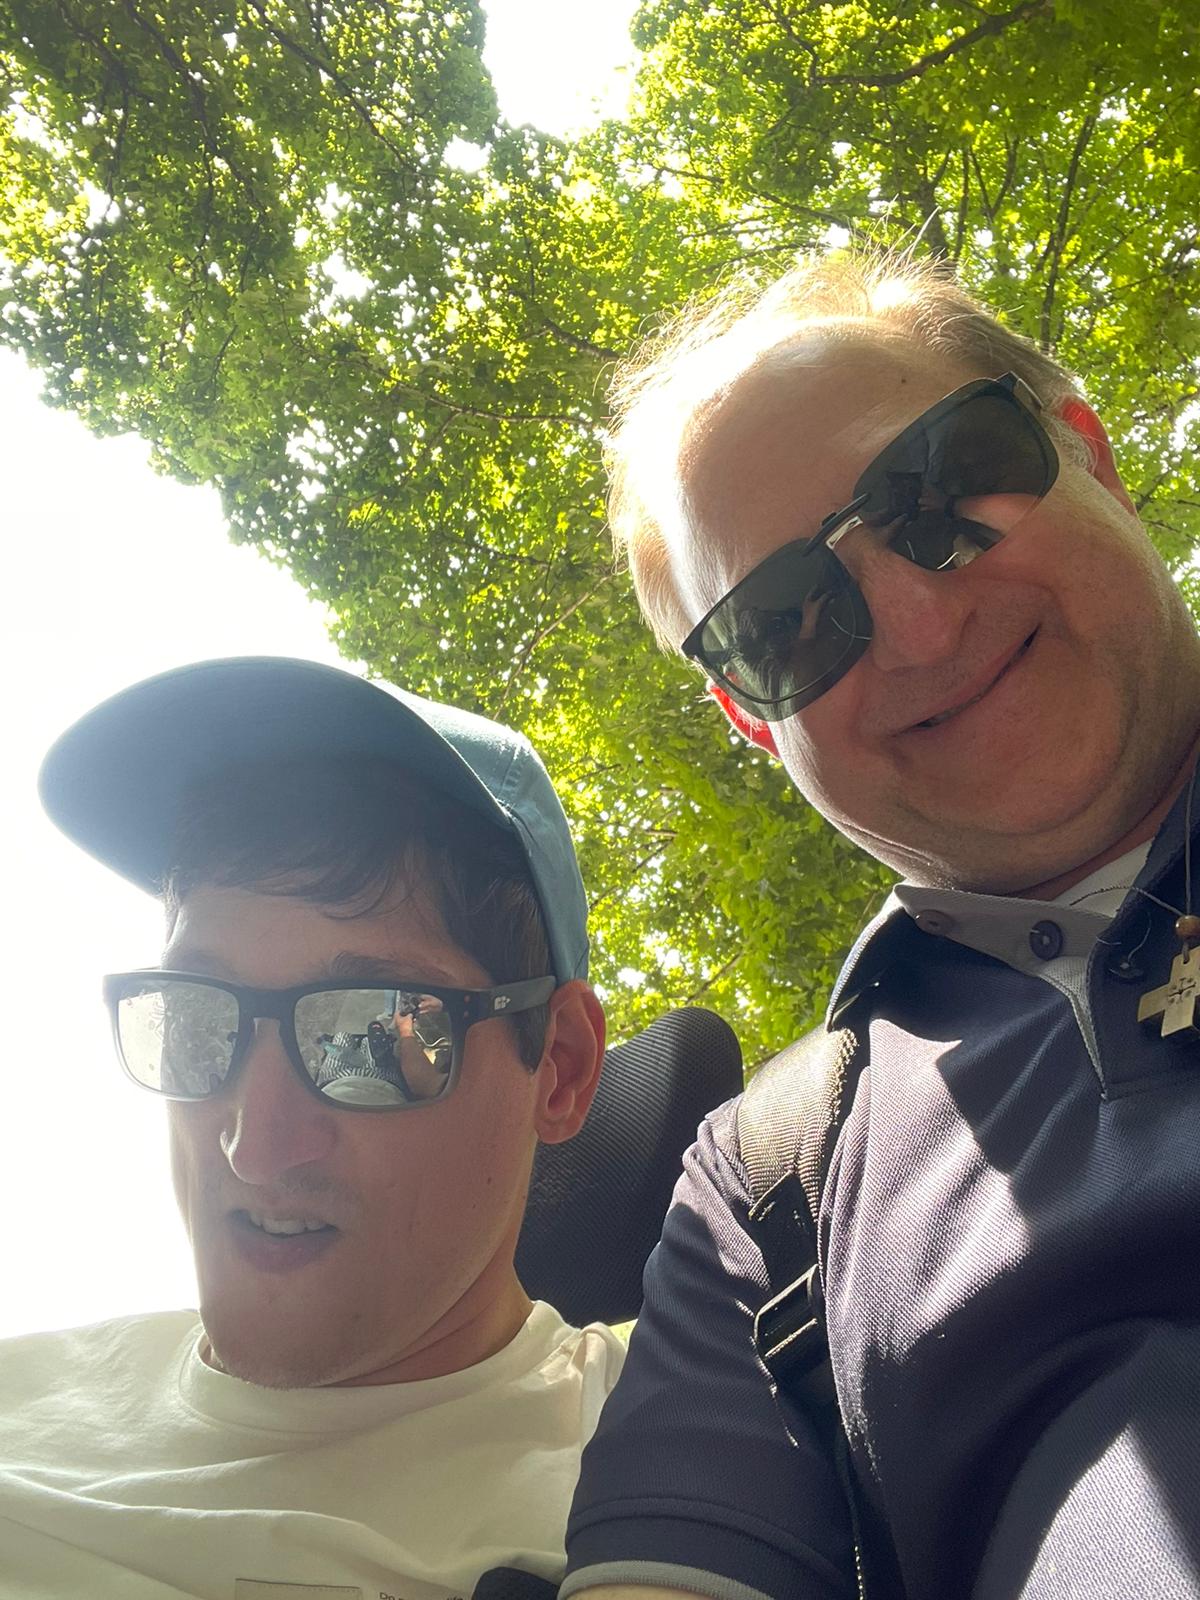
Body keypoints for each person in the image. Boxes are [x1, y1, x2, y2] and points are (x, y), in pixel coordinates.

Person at [562, 249, 1200, 1599]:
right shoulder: (764, 1192)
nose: (916, 625)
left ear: (1090, 455)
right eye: (786, 620)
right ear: (754, 720)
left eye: (941, 487)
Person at [5, 655, 623, 1599]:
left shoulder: (670, 1467)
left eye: (374, 1033)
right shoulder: (24, 1391)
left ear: (562, 1067)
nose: (253, 1146)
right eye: (200, 1017)